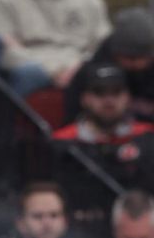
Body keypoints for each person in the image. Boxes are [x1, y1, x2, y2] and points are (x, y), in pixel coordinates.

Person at [52, 62, 154, 224]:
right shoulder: (62, 142)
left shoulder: (147, 136)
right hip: (81, 227)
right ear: (85, 98)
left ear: (128, 97)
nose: (109, 100)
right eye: (99, 93)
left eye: (116, 92)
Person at [66, 7, 154, 122]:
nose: (137, 64)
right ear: (116, 53)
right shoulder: (90, 73)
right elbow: (72, 119)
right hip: (100, 129)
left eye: (143, 57)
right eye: (131, 58)